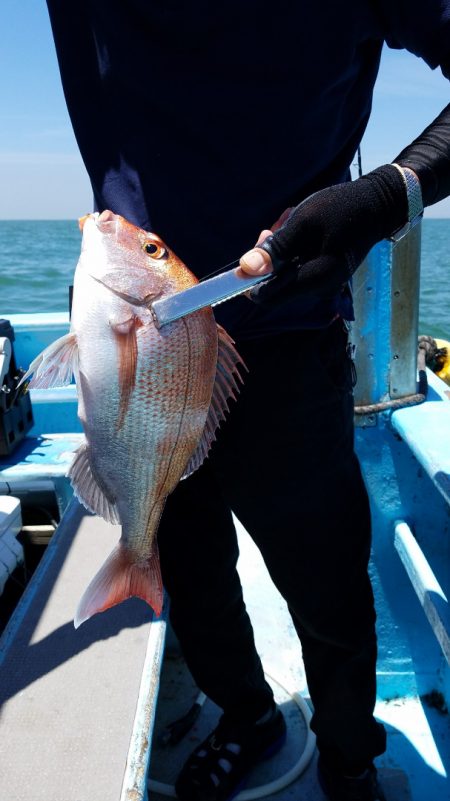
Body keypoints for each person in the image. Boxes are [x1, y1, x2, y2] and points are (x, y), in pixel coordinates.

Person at [45, 3, 450, 800]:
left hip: (293, 334)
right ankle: (249, 715)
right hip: (134, 333)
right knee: (189, 569)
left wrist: (388, 194)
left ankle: (348, 752)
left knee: (327, 578)